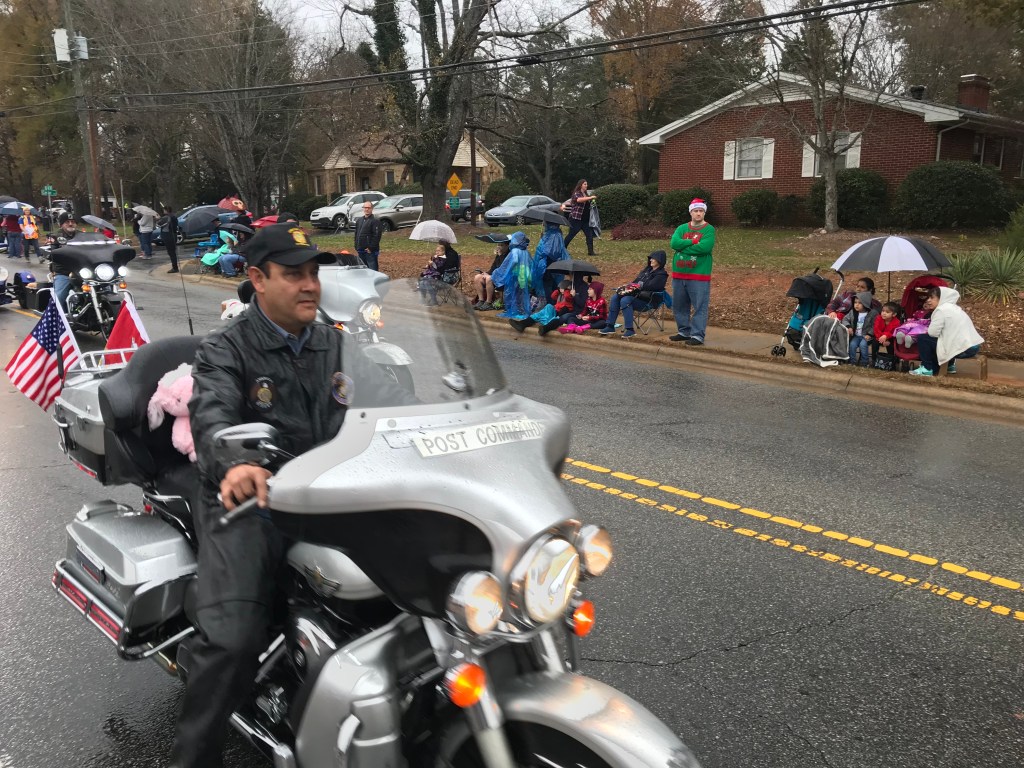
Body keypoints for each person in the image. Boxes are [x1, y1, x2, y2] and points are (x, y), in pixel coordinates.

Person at [170, 222, 408, 768]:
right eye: (294, 274)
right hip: (254, 503)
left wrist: (447, 421)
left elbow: (395, 402)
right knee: (232, 641)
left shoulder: (335, 344)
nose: (310, 285)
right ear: (257, 279)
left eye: (314, 273)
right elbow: (212, 416)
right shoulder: (226, 349)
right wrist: (237, 463)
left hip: (334, 496)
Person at [668, 199, 715, 346]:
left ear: (704, 213)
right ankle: (684, 331)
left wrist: (682, 247)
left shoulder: (709, 230)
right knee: (679, 305)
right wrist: (692, 242)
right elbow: (674, 243)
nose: (698, 213)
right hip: (679, 274)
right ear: (691, 212)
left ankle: (697, 335)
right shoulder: (682, 228)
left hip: (699, 275)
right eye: (696, 211)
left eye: (701, 211)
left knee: (700, 306)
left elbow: (704, 248)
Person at [910, 286, 984, 377]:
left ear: (941, 298)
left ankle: (927, 369)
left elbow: (932, 333)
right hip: (972, 347)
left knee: (923, 339)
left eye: (932, 298)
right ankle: (949, 365)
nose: (928, 300)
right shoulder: (955, 308)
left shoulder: (941, 310)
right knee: (944, 340)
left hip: (963, 349)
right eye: (928, 297)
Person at [600, 250, 668, 339]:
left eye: (653, 258)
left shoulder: (662, 275)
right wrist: (627, 287)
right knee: (615, 297)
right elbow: (635, 282)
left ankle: (630, 330)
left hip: (649, 301)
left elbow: (651, 286)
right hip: (636, 297)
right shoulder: (646, 271)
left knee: (625, 300)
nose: (651, 260)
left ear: (659, 260)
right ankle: (610, 326)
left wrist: (637, 286)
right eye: (650, 258)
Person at [492, 231, 533, 324]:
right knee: (522, 293)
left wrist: (507, 270)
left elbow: (513, 261)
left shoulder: (515, 251)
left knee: (513, 293)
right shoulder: (525, 252)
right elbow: (531, 263)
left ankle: (514, 309)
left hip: (516, 275)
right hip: (525, 275)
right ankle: (523, 309)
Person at [48, 213, 80, 311]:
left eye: (73, 222)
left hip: (81, 271)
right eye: (67, 222)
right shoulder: (55, 236)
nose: (70, 224)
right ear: (61, 224)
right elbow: (51, 252)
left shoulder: (82, 235)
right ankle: (57, 315)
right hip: (64, 272)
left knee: (103, 287)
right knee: (59, 297)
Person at [473, 234, 510, 310]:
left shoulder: (509, 255)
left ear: (507, 246)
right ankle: (481, 300)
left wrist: (500, 256)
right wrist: (487, 273)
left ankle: (489, 302)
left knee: (489, 279)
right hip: (496, 275)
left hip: (504, 277)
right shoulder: (499, 255)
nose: (499, 247)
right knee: (477, 277)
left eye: (501, 245)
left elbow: (503, 268)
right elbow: (494, 266)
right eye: (498, 245)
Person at [841, 292, 878, 366]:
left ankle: (864, 362)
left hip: (866, 336)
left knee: (863, 345)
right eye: (855, 302)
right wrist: (849, 327)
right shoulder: (852, 312)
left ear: (866, 303)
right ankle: (852, 362)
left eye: (860, 303)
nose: (856, 305)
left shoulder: (872, 313)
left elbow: (875, 325)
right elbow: (845, 319)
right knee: (852, 345)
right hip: (856, 336)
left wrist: (870, 334)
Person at [418, 240, 460, 304]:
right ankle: (424, 297)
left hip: (447, 276)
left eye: (441, 244)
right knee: (422, 280)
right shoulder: (438, 254)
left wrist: (434, 265)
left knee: (427, 280)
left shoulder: (452, 254)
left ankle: (433, 300)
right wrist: (430, 264)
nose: (438, 251)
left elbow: (445, 268)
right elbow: (434, 265)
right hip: (436, 273)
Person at [562, 180, 597, 256]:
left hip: (585, 220)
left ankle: (591, 252)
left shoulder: (586, 194)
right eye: (585, 184)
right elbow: (579, 200)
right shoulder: (577, 193)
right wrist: (590, 197)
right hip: (576, 219)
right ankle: (562, 249)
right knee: (571, 235)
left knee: (589, 235)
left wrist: (592, 202)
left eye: (586, 184)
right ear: (581, 185)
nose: (586, 185)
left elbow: (587, 204)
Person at [872, 301, 902, 369]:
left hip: (891, 338)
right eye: (883, 311)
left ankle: (891, 362)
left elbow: (893, 332)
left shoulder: (896, 322)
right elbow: (876, 329)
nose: (884, 313)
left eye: (887, 312)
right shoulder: (878, 318)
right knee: (875, 343)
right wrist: (882, 339)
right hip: (879, 337)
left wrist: (886, 336)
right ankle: (874, 360)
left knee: (891, 346)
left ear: (894, 314)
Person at [353, 201, 382, 271]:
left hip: (370, 251)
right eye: (365, 207)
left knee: (372, 270)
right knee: (363, 270)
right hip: (360, 249)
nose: (367, 209)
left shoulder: (375, 221)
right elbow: (356, 233)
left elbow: (377, 236)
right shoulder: (359, 220)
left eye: (368, 208)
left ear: (372, 209)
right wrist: (356, 245)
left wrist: (371, 248)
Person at [159, 205, 180, 273]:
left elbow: (159, 224)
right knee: (172, 252)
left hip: (168, 236)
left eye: (164, 210)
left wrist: (157, 218)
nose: (163, 211)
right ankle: (175, 266)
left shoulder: (166, 217)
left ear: (166, 210)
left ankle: (175, 267)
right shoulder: (174, 216)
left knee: (171, 252)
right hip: (173, 235)